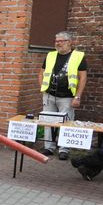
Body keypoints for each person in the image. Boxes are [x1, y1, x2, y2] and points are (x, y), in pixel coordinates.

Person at [39, 31, 87, 160]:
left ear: (69, 42)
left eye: (61, 41)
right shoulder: (50, 55)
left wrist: (77, 96)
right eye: (56, 41)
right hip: (49, 95)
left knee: (66, 122)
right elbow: (41, 73)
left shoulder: (78, 56)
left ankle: (64, 149)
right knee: (48, 121)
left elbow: (82, 78)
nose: (58, 43)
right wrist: (43, 89)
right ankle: (49, 147)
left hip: (67, 96)